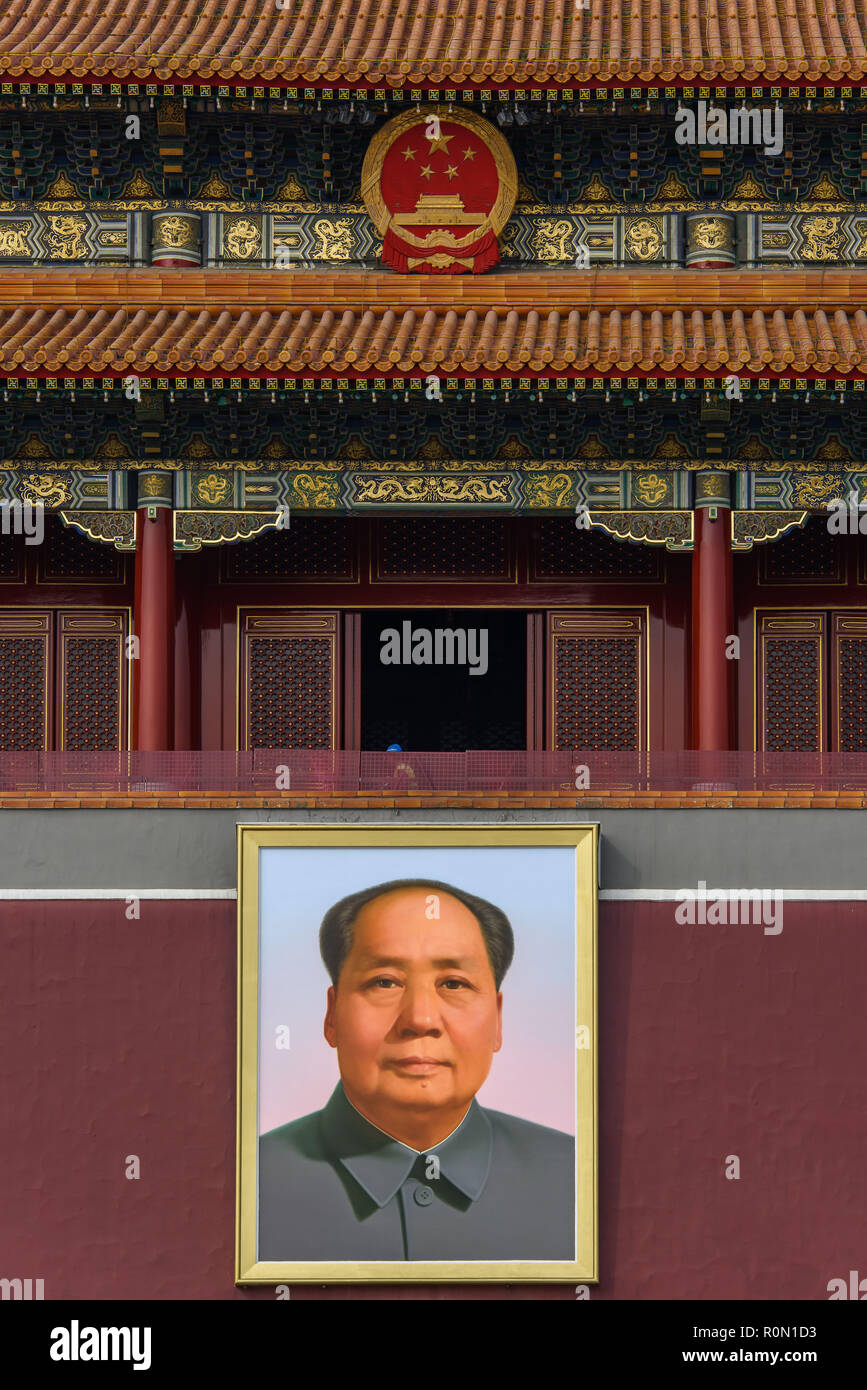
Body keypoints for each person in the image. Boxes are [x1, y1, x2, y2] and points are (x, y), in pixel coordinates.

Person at [258, 878, 575, 1261]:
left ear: (498, 1020)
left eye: (454, 984)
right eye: (385, 982)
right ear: (331, 1016)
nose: (421, 1019)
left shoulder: (578, 1180)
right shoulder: (248, 1182)